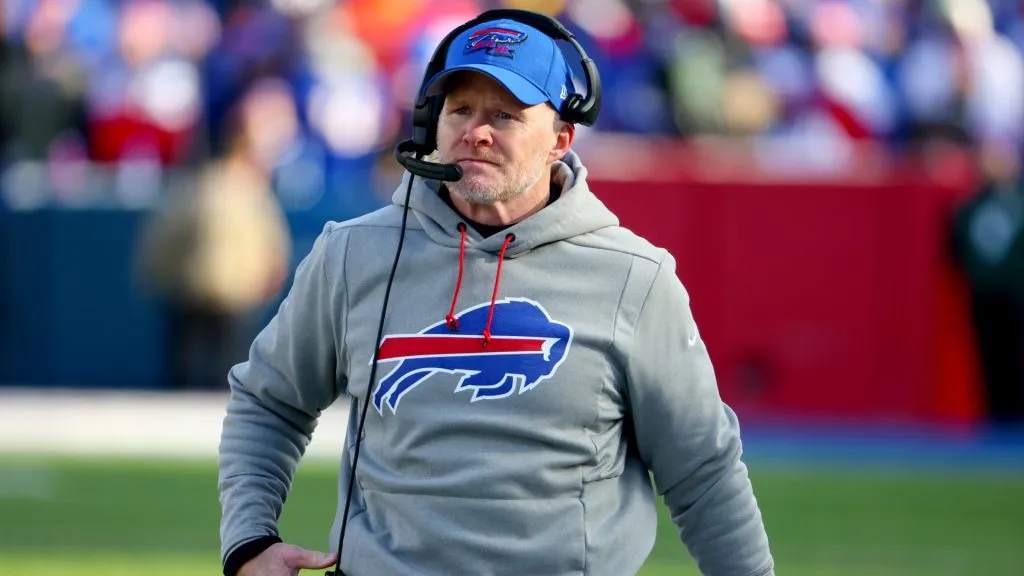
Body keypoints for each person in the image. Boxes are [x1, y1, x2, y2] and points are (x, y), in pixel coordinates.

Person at [218, 10, 774, 576]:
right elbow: (270, 401)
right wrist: (248, 541)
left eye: (505, 114)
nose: (476, 131)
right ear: (431, 121)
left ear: (561, 138)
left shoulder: (636, 277)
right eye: (460, 109)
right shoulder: (352, 255)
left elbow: (703, 472)